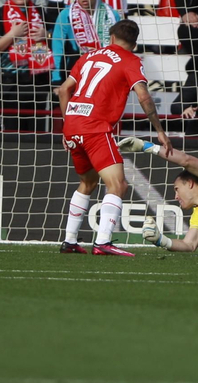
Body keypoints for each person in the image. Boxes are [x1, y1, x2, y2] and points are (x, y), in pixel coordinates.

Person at [56, 20, 171, 257]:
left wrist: (69, 123)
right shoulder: (131, 61)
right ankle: (103, 242)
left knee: (87, 182)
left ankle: (69, 240)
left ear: (110, 38)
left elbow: (64, 89)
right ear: (135, 44)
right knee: (118, 185)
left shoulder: (88, 56)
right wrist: (159, 130)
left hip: (73, 126)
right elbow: (144, 97)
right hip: (95, 128)